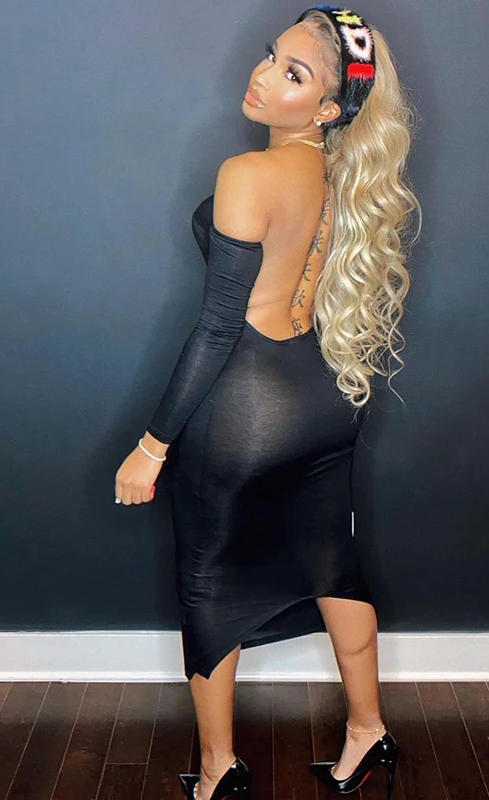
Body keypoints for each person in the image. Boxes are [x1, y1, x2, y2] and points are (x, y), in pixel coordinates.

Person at [114, 5, 420, 799]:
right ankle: (369, 730)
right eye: (270, 56)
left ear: (327, 107)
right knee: (335, 567)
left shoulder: (247, 174)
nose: (261, 76)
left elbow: (219, 327)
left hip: (245, 413)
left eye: (293, 73)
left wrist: (152, 446)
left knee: (208, 587)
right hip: (325, 401)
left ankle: (219, 770)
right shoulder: (348, 176)